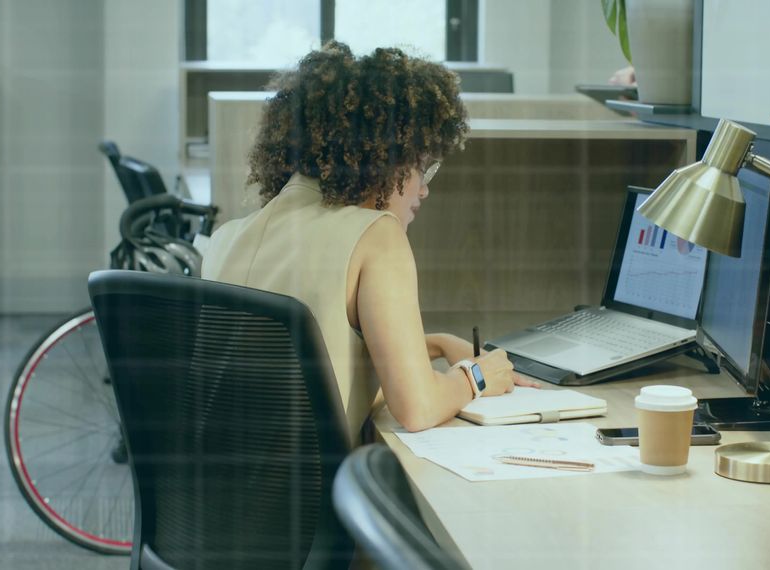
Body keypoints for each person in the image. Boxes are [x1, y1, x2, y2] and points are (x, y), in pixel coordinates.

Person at [202, 42, 537, 445]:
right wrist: (479, 376)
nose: (423, 189)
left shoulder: (227, 238)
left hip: (215, 497)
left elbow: (311, 365)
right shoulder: (376, 234)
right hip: (315, 502)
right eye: (420, 166)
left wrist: (439, 343)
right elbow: (417, 409)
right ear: (384, 157)